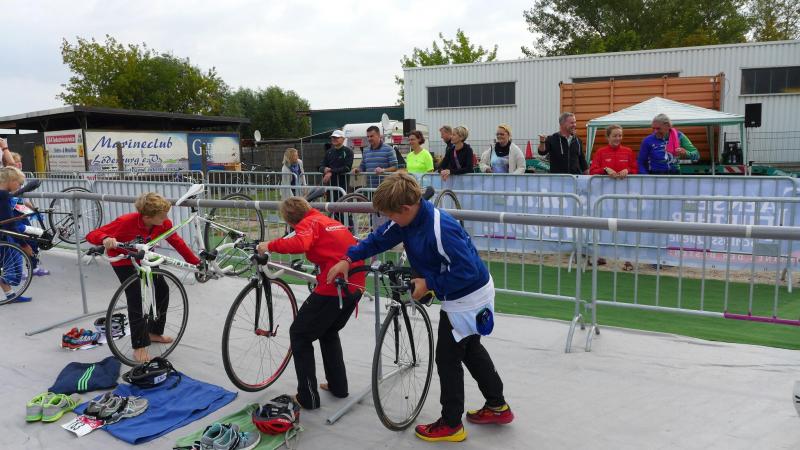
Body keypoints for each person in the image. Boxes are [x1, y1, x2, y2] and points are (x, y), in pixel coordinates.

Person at [327, 173, 513, 443]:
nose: (389, 220)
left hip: (468, 297)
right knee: (470, 349)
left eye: (391, 215)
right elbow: (378, 239)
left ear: (405, 208)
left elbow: (467, 271)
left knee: (447, 358)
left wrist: (429, 283)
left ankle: (452, 424)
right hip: (464, 293)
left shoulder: (441, 228)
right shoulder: (407, 219)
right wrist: (348, 258)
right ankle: (497, 406)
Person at [256, 196, 366, 410]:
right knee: (328, 331)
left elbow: (301, 243)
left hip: (335, 287)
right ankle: (338, 387)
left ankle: (307, 397)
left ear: (290, 221)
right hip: (355, 285)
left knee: (299, 334)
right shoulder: (326, 220)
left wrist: (269, 245)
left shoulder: (308, 223)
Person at [86, 192, 201, 362]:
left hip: (145, 257)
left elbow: (177, 241)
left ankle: (154, 332)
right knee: (135, 297)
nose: (166, 219)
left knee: (162, 289)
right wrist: (105, 238)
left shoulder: (163, 224)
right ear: (147, 217)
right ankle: (139, 345)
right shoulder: (125, 222)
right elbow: (92, 234)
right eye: (162, 216)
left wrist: (196, 263)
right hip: (123, 260)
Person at [0, 167, 41, 303]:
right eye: (19, 183)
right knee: (13, 265)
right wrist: (24, 245)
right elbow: (9, 225)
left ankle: (10, 295)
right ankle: (10, 293)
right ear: (11, 180)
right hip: (3, 234)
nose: (19, 186)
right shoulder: (3, 195)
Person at [319, 130, 354, 202]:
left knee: (343, 205)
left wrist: (331, 172)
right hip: (330, 186)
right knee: (330, 206)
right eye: (333, 137)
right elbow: (321, 166)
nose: (334, 139)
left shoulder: (348, 151)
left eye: (337, 137)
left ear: (343, 139)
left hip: (343, 186)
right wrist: (324, 169)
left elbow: (347, 168)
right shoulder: (329, 152)